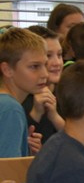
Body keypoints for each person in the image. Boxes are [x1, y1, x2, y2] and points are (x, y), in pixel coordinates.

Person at [0, 27, 48, 157]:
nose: (45, 74)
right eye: (34, 66)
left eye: (45, 65)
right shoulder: (11, 109)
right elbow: (7, 168)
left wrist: (26, 154)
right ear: (7, 70)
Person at [23, 26, 65, 145]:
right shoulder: (20, 98)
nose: (57, 63)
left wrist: (55, 117)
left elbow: (81, 139)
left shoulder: (67, 92)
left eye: (60, 55)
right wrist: (35, 114)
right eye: (48, 56)